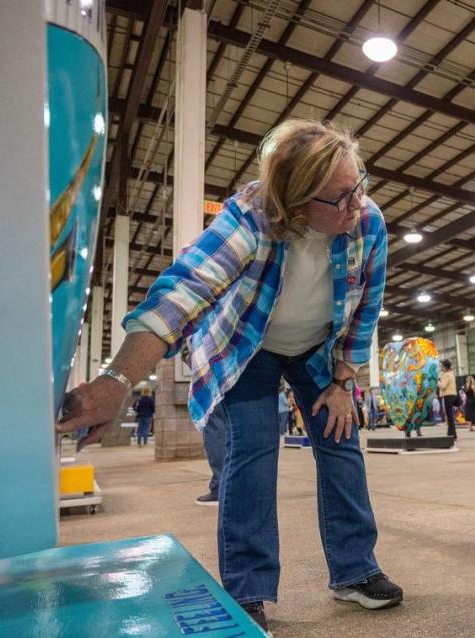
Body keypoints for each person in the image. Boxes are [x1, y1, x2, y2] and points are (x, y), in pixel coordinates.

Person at [55, 119, 402, 628]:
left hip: (318, 351)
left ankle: (355, 571)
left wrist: (343, 382)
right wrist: (117, 381)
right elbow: (184, 292)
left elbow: (366, 306)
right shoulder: (251, 216)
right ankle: (248, 590)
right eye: (340, 198)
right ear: (296, 203)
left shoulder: (368, 221)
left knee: (341, 443)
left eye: (359, 185)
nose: (358, 204)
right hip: (248, 346)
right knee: (253, 452)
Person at [437, 359, 458, 438]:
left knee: (449, 416)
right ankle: (451, 433)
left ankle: (452, 434)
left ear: (445, 366)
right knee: (450, 416)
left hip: (448, 396)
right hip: (452, 395)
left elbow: (443, 386)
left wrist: (437, 381)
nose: (441, 367)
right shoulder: (450, 373)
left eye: (442, 366)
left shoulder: (446, 375)